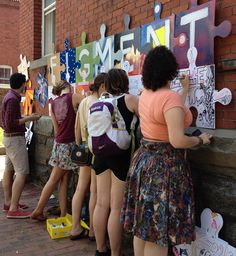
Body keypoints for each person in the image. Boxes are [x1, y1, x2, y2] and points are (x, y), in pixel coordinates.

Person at [121, 46, 212, 256]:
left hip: (144, 163)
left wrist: (184, 91)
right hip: (164, 168)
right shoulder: (169, 98)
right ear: (170, 70)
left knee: (143, 227)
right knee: (158, 232)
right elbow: (177, 140)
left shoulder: (145, 95)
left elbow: (166, 111)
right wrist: (200, 139)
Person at [92, 68, 139, 256]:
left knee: (102, 204)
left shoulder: (100, 101)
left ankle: (100, 249)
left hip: (100, 155)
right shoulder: (130, 99)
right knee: (116, 207)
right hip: (120, 155)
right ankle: (116, 253)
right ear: (125, 82)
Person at [31, 80, 83, 220]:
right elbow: (90, 103)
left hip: (59, 144)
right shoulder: (74, 97)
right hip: (69, 144)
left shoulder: (53, 103)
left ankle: (63, 212)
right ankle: (38, 209)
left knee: (63, 180)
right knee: (54, 179)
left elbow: (56, 129)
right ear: (69, 87)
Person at [70, 73, 108, 241]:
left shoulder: (84, 101)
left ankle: (75, 227)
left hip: (84, 148)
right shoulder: (99, 103)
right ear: (102, 87)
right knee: (94, 192)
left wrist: (79, 146)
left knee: (80, 189)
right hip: (95, 149)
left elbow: (77, 127)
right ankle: (93, 230)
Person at [1, 72, 41, 219]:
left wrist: (23, 118)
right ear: (22, 84)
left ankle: (8, 203)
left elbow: (7, 120)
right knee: (22, 173)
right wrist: (30, 117)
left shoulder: (9, 96)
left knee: (9, 170)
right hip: (15, 139)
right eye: (25, 83)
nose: (26, 86)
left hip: (9, 138)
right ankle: (13, 209)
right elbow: (11, 123)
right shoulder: (12, 99)